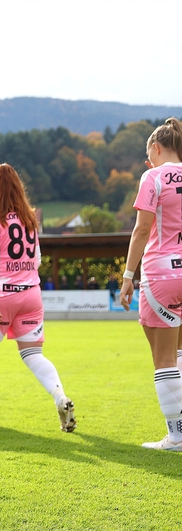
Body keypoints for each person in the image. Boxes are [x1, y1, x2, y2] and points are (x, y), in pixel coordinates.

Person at [0, 164, 75, 432]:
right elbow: (36, 259)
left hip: (1, 295)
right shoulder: (30, 219)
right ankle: (60, 396)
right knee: (34, 354)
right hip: (31, 294)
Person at [119, 118, 182, 452]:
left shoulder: (153, 176)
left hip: (162, 274)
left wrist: (128, 277)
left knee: (164, 358)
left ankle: (176, 435)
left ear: (156, 149)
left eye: (149, 155)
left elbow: (142, 230)